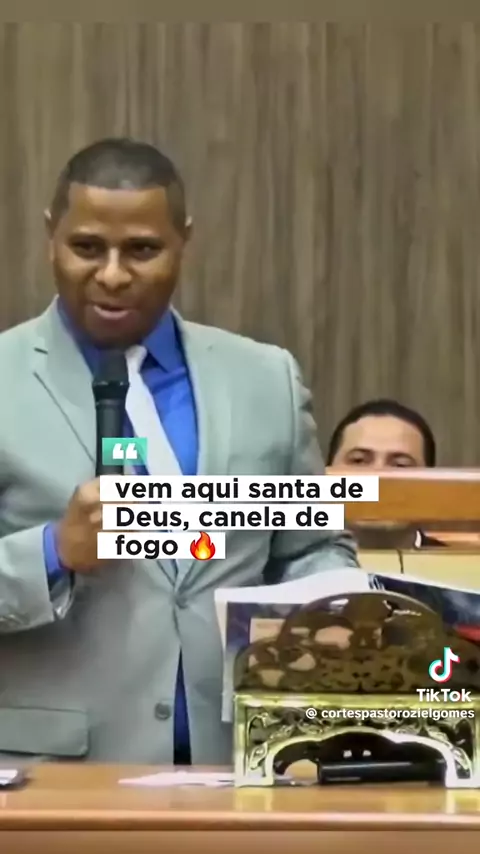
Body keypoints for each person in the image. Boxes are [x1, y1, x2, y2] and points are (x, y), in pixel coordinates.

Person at [0, 137, 358, 766]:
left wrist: (331, 599)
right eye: (87, 247)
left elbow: (310, 543)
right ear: (50, 234)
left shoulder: (265, 378)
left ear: (183, 240)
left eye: (142, 249)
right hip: (56, 779)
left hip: (236, 770)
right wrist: (54, 552)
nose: (113, 274)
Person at [327, 398, 443, 549]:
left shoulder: (459, 563)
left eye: (400, 465)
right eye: (359, 461)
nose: (378, 479)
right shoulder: (296, 561)